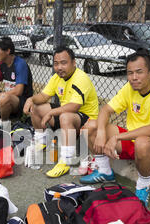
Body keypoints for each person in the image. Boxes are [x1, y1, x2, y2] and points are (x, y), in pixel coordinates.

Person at [79, 49, 150, 207]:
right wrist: (102, 133)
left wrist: (116, 137)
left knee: (142, 142)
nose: (134, 77)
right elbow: (105, 110)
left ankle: (142, 188)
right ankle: (104, 171)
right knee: (90, 126)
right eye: (130, 73)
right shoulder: (129, 88)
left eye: (139, 72)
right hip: (131, 139)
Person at [23, 46, 99, 178]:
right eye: (56, 63)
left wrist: (51, 113)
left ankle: (66, 160)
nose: (59, 67)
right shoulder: (57, 77)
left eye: (64, 63)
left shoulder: (80, 78)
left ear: (73, 63)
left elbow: (74, 106)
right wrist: (31, 99)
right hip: (68, 115)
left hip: (86, 121)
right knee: (36, 107)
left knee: (65, 117)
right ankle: (42, 141)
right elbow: (43, 96)